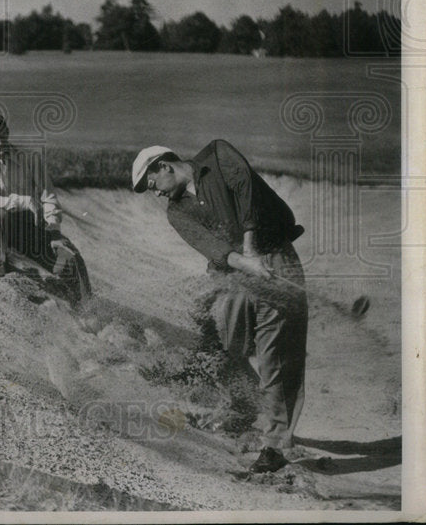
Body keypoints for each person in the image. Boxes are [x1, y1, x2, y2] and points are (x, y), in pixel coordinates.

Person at [132, 140, 309, 473]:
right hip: (232, 275)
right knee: (222, 349)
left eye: (152, 184)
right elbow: (213, 247)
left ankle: (276, 443)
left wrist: (252, 251)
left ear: (164, 166)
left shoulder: (218, 156)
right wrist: (245, 262)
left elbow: (247, 194)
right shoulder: (177, 212)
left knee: (277, 355)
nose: (154, 193)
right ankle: (248, 406)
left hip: (275, 257)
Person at [0, 111, 74, 278]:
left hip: (31, 227)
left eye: (3, 136)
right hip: (4, 228)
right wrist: (26, 201)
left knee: (72, 264)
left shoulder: (30, 158)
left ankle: (81, 301)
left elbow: (48, 197)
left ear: (8, 133)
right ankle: (1, 261)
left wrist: (55, 233)